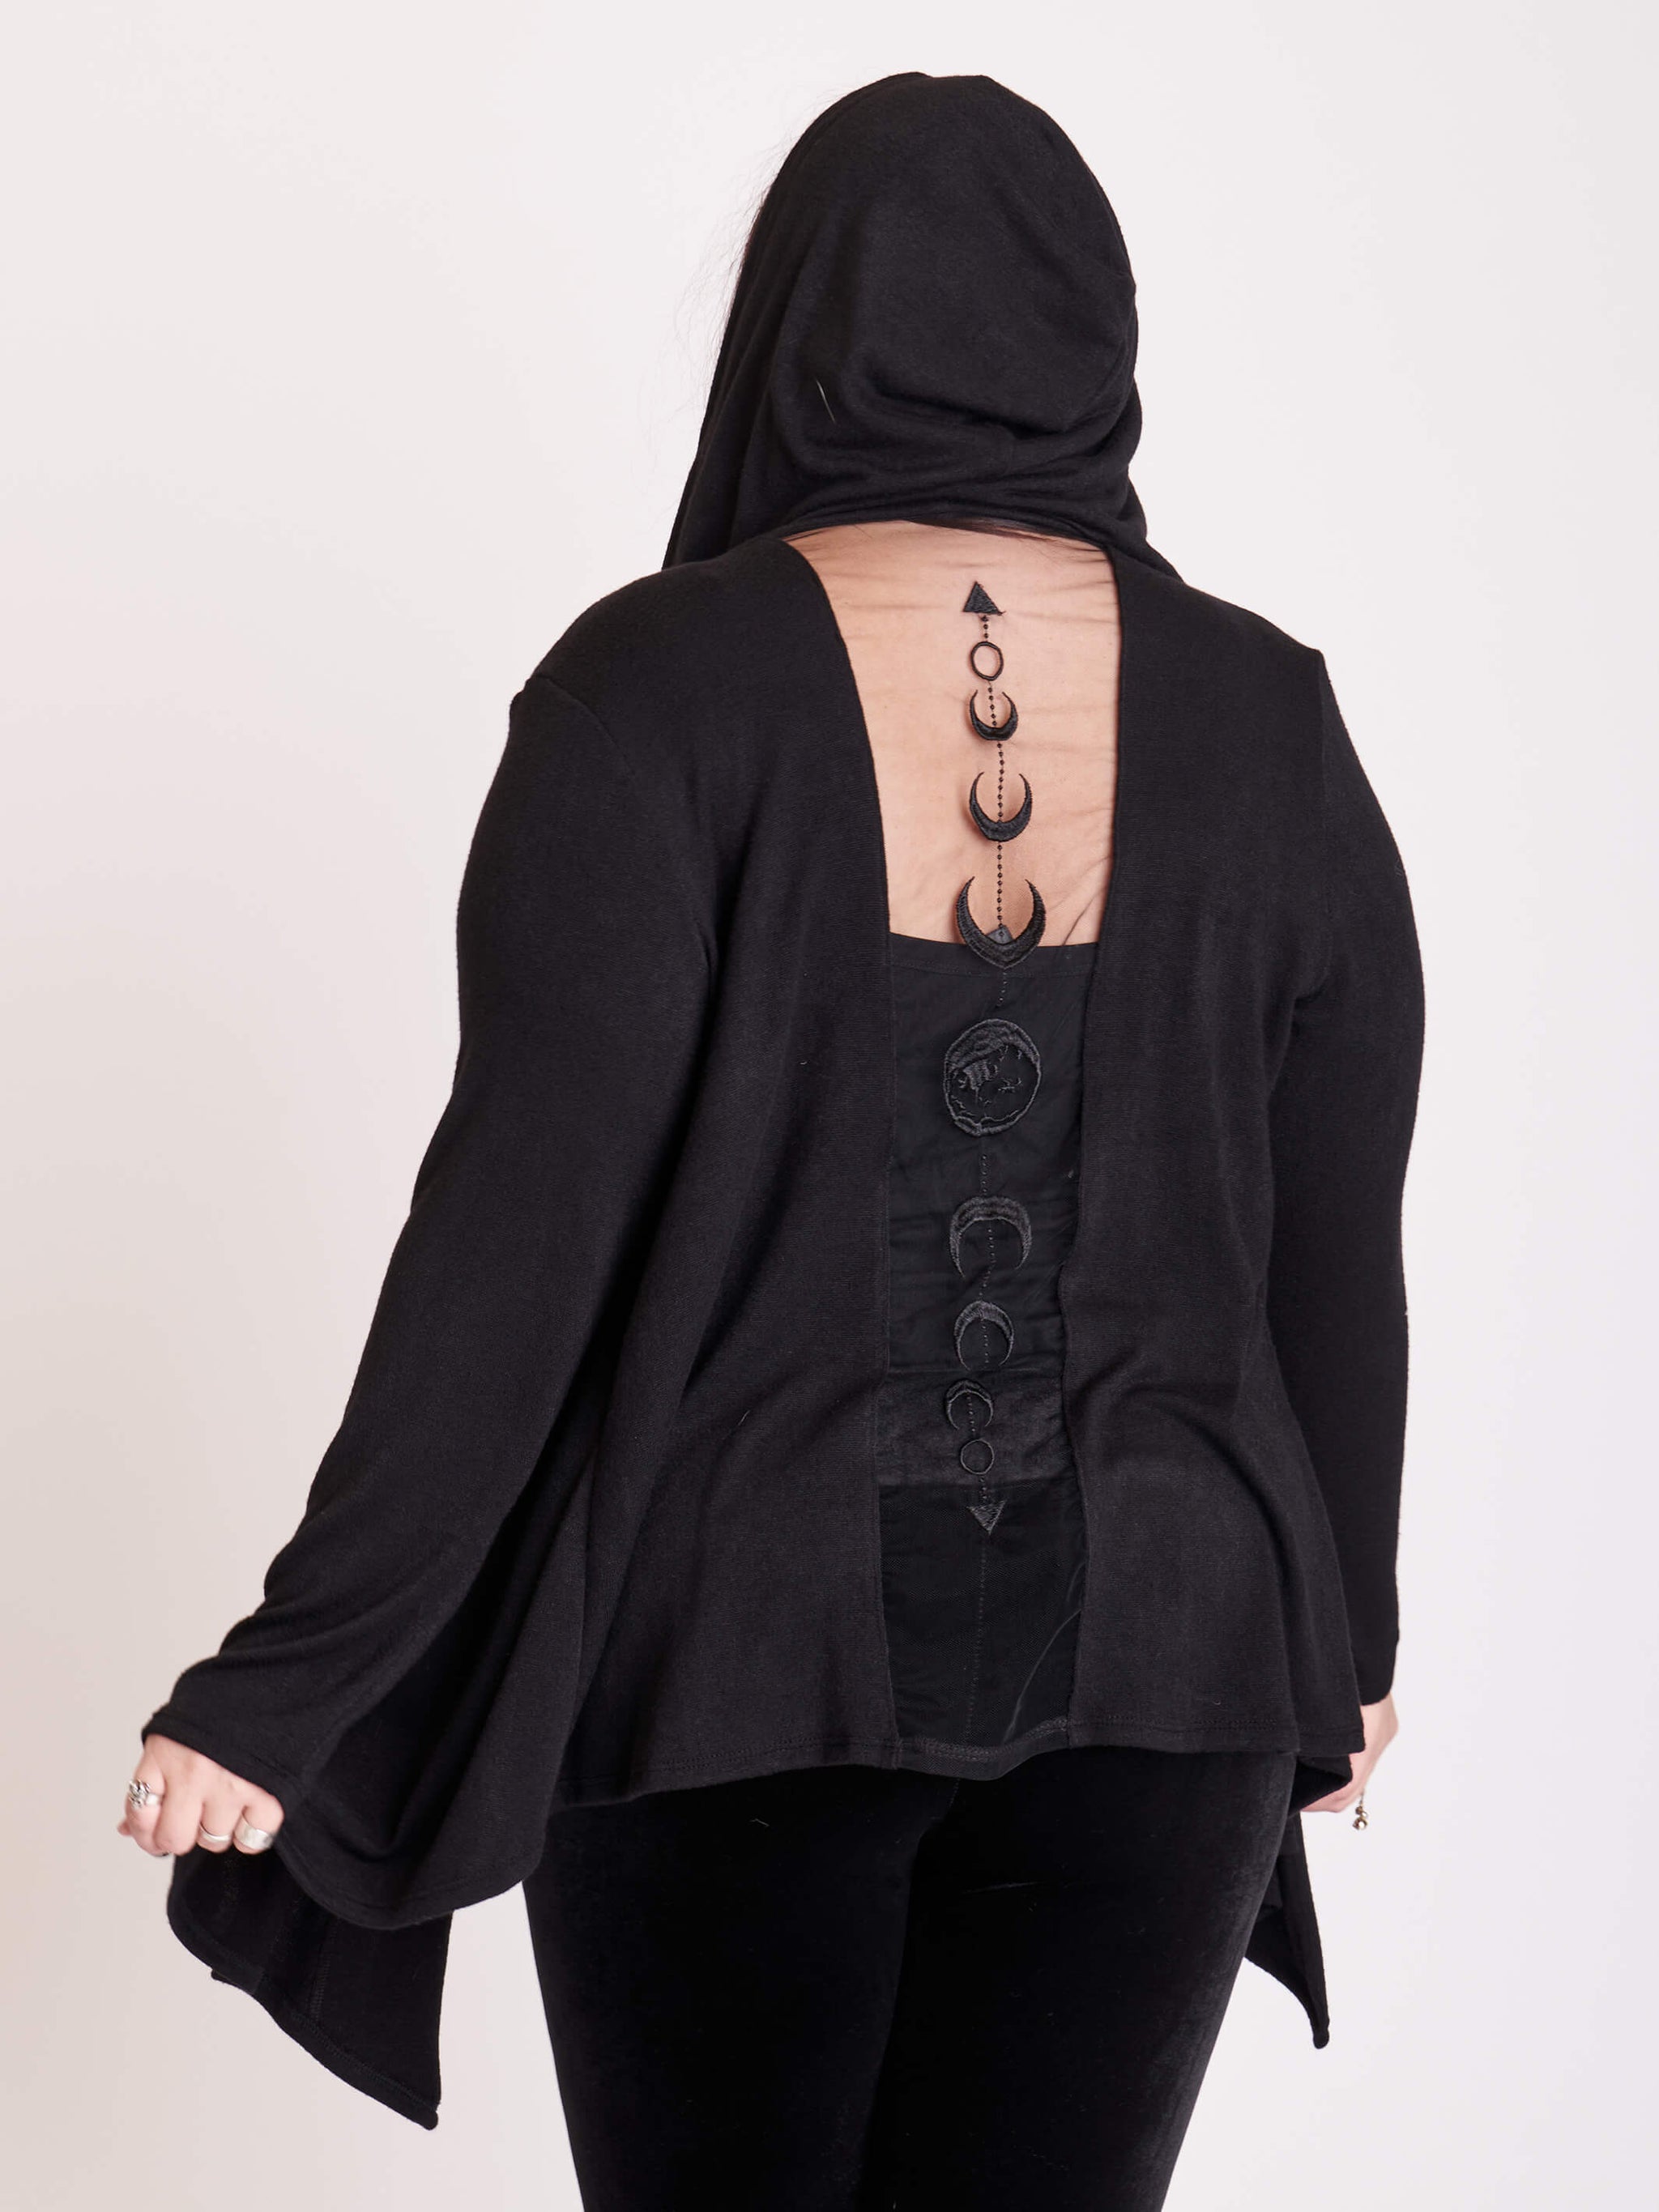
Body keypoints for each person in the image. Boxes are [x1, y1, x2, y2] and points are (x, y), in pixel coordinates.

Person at [122, 71, 1422, 2212]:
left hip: (735, 1647)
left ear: (795, 333)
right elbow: (1333, 1240)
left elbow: (514, 1238)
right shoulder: (1269, 718)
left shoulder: (655, 692)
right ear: (1099, 336)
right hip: (1170, 1658)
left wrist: (292, 1679)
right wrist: (1342, 1636)